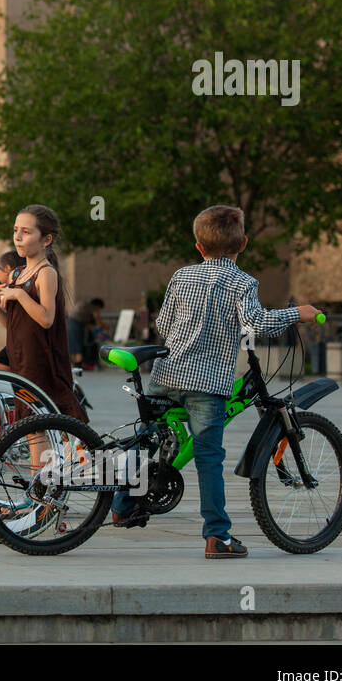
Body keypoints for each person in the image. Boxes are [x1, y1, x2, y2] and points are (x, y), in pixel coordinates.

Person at [110, 204, 320, 559]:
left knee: (151, 441)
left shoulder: (181, 275)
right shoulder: (243, 281)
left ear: (199, 247)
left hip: (167, 373)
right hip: (207, 384)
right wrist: (297, 313)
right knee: (209, 457)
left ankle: (120, 505)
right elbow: (257, 322)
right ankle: (217, 537)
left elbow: (163, 324)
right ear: (244, 244)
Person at [0, 205, 87, 423]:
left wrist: (18, 294)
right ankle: (45, 458)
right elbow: (12, 325)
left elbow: (46, 319)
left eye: (26, 232)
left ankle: (67, 457)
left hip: (40, 361)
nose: (18, 237)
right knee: (31, 425)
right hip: (21, 358)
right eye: (16, 230)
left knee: (41, 423)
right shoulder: (16, 273)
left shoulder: (45, 273)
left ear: (46, 240)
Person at [0, 250, 24, 371]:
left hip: (24, 344)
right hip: (17, 342)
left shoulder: (17, 292)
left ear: (7, 268)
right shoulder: (12, 291)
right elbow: (10, 325)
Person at [68, 297, 106, 369]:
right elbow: (97, 319)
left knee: (73, 344)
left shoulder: (84, 304)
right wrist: (103, 328)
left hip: (69, 322)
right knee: (78, 344)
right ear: (97, 305)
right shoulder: (92, 308)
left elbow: (88, 324)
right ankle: (78, 364)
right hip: (75, 324)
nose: (98, 311)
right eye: (99, 309)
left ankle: (75, 363)